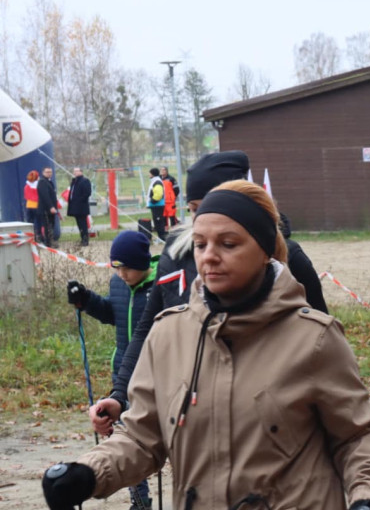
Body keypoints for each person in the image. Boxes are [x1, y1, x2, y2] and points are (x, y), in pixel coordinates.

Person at [43, 180, 370, 510]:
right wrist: (88, 473)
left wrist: (369, 498)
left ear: (266, 250)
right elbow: (143, 437)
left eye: (228, 244)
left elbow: (356, 435)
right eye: (202, 243)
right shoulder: (169, 336)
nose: (209, 256)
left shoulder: (313, 338)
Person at [88, 151, 328, 433]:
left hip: (274, 424)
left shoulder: (288, 257)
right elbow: (147, 330)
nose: (202, 220)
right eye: (193, 209)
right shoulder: (175, 253)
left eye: (213, 207)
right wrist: (120, 394)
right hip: (196, 419)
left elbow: (321, 342)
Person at [66, 231, 157, 510]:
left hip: (157, 373)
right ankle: (140, 502)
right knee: (126, 435)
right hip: (125, 372)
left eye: (127, 267)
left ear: (143, 263)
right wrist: (86, 300)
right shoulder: (119, 283)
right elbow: (112, 314)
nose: (122, 273)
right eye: (117, 267)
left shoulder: (160, 286)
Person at [67, 167, 92, 245]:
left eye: (77, 171)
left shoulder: (85, 181)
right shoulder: (74, 181)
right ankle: (82, 238)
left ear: (81, 172)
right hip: (75, 207)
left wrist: (79, 200)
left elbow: (87, 193)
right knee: (79, 223)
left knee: (83, 223)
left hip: (81, 207)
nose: (75, 172)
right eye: (74, 171)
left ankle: (85, 239)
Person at [36, 167, 58, 246]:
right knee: (47, 225)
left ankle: (50, 241)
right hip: (45, 209)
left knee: (51, 225)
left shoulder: (49, 182)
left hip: (51, 208)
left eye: (50, 172)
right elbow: (45, 196)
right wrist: (51, 206)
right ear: (43, 172)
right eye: (47, 172)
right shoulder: (42, 182)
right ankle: (48, 242)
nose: (49, 174)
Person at [146, 167, 167, 240]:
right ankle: (160, 237)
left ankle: (162, 237)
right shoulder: (155, 181)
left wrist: (152, 201)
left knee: (158, 222)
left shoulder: (157, 182)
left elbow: (158, 194)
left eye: (150, 173)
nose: (149, 174)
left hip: (157, 205)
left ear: (152, 174)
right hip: (155, 205)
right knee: (157, 222)